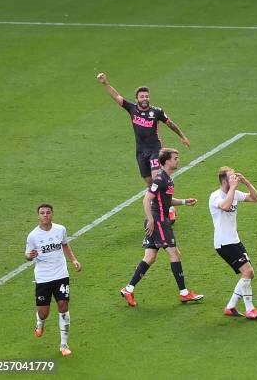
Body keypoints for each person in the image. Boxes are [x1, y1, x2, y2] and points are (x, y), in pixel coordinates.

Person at [120, 148, 203, 306]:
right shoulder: (160, 179)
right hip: (158, 221)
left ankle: (128, 289)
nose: (177, 160)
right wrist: (151, 220)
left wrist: (185, 201)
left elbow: (167, 201)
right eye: (175, 158)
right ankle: (184, 293)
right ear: (166, 161)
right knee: (174, 254)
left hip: (159, 219)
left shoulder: (168, 179)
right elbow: (146, 199)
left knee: (150, 257)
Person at [96, 72, 191, 186]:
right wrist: (105, 83)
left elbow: (170, 123)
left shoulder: (157, 111)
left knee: (157, 179)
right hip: (140, 151)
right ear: (136, 99)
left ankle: (167, 202)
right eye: (142, 97)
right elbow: (116, 96)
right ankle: (160, 202)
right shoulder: (132, 109)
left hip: (155, 150)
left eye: (146, 96)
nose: (145, 98)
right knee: (150, 183)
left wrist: (182, 136)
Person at [209, 167, 257, 320]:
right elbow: (225, 206)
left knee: (249, 273)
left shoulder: (234, 193)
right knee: (247, 272)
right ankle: (250, 309)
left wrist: (247, 183)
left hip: (234, 240)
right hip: (224, 243)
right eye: (231, 177)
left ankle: (230, 306)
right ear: (224, 181)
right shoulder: (215, 196)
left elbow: (255, 198)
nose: (235, 179)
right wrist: (233, 188)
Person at [25, 204, 82, 356]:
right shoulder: (33, 236)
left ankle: (64, 345)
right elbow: (27, 256)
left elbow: (65, 245)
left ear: (52, 214)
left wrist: (74, 260)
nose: (45, 215)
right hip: (43, 278)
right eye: (42, 213)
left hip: (61, 275)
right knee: (44, 313)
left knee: (63, 306)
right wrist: (30, 256)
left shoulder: (60, 229)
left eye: (48, 212)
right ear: (38, 216)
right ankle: (40, 323)